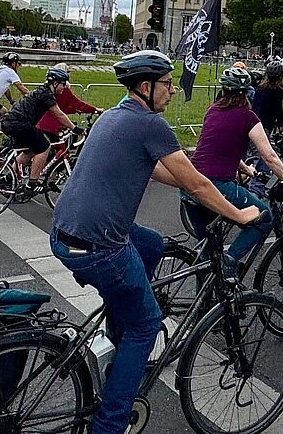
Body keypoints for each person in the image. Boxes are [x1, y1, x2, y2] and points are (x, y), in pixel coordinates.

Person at [50, 51, 261, 434]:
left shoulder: (113, 116)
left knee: (150, 244)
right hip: (100, 247)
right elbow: (196, 183)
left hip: (65, 233)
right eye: (166, 84)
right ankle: (110, 424)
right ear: (145, 88)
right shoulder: (151, 124)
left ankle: (121, 321)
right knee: (147, 325)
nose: (172, 91)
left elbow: (165, 172)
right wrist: (238, 213)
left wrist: (192, 182)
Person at [186, 66, 283, 272]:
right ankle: (229, 263)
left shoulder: (212, 111)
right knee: (264, 217)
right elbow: (270, 156)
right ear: (246, 92)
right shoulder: (247, 116)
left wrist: (245, 169)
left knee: (208, 254)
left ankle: (206, 300)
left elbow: (215, 148)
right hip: (217, 185)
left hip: (189, 185)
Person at [0, 66, 76, 194]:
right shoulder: (46, 95)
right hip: (19, 123)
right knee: (44, 146)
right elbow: (59, 114)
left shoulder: (42, 91)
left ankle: (8, 178)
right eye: (63, 84)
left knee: (29, 151)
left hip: (11, 122)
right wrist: (75, 128)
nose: (65, 87)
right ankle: (32, 184)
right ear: (55, 82)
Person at [251, 60, 283, 142]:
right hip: (264, 127)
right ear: (281, 76)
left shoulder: (260, 87)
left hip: (252, 124)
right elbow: (279, 115)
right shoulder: (276, 90)